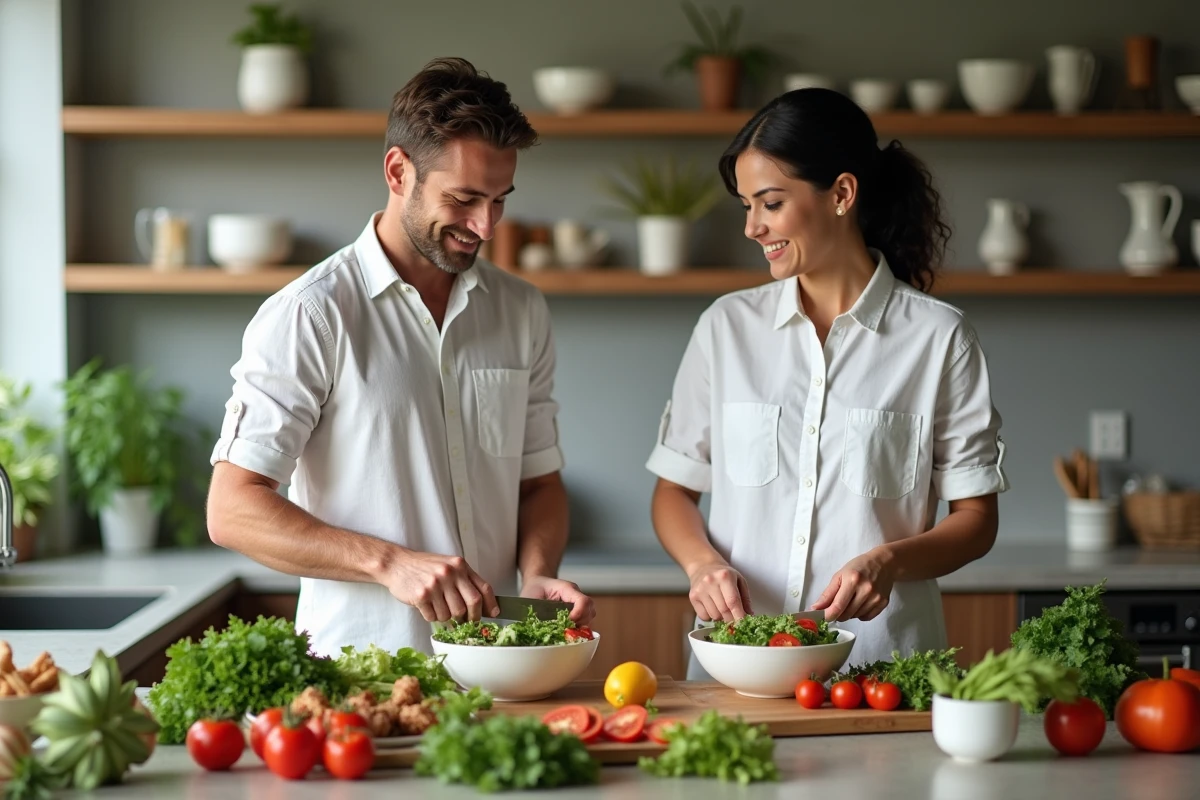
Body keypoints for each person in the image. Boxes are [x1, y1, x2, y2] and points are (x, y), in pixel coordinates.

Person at [206, 57, 594, 658]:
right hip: (360, 674)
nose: (486, 226)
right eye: (464, 198)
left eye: (499, 200)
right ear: (397, 171)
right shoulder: (312, 313)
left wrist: (538, 574)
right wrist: (390, 564)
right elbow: (232, 509)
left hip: (495, 668)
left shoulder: (521, 310)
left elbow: (539, 483)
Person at [645, 88, 1008, 672]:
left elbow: (975, 520)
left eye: (769, 203)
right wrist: (701, 565)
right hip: (740, 664)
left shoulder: (939, 338)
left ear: (841, 194)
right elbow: (674, 491)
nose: (752, 228)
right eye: (746, 206)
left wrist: (888, 561)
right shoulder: (726, 327)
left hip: (882, 669)